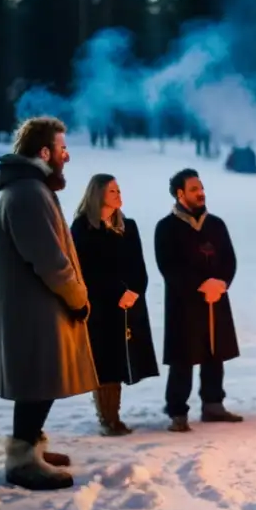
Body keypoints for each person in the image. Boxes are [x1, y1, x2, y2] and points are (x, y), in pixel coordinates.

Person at [0, 116, 99, 491]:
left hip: (36, 307)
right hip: (36, 309)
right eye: (62, 148)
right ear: (45, 151)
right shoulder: (30, 192)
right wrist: (78, 298)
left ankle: (30, 446)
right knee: (39, 380)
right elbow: (49, 260)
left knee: (40, 380)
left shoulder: (31, 189)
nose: (67, 156)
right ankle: (22, 461)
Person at [154, 169, 243, 431]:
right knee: (184, 355)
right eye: (194, 189)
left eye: (201, 187)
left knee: (214, 352)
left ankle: (213, 404)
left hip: (216, 297)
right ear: (180, 193)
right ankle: (177, 411)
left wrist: (222, 283)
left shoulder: (215, 224)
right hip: (185, 302)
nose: (200, 192)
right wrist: (199, 284)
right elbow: (168, 266)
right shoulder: (167, 227)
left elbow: (229, 259)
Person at [71, 174, 159, 436]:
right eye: (112, 191)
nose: (118, 194)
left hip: (128, 305)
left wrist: (134, 291)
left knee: (122, 360)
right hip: (101, 305)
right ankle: (109, 418)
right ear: (98, 195)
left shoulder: (127, 226)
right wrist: (116, 292)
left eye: (118, 189)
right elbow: (86, 270)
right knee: (106, 361)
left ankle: (113, 415)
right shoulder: (83, 228)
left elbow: (138, 265)